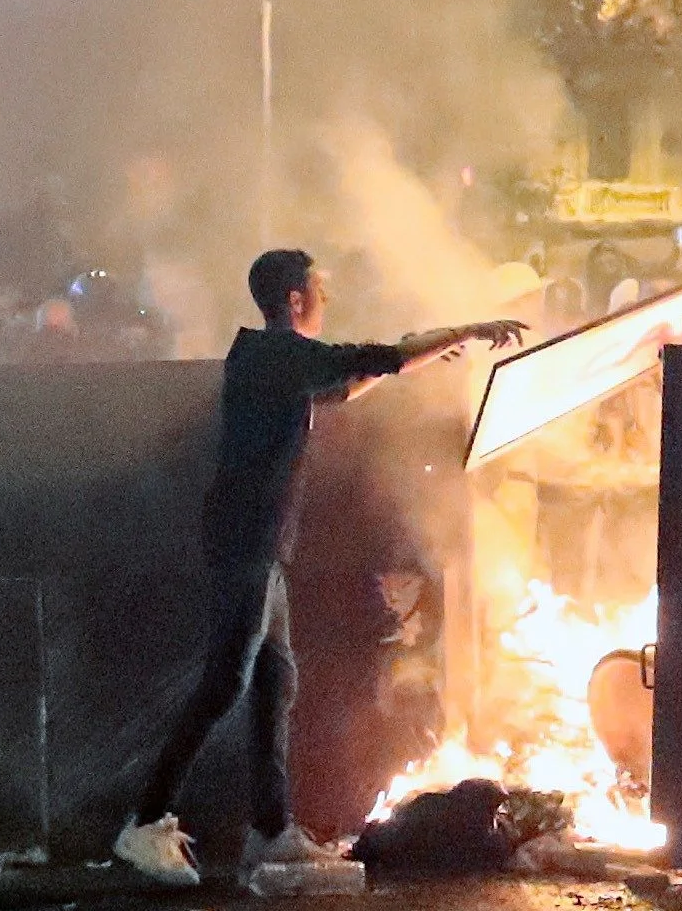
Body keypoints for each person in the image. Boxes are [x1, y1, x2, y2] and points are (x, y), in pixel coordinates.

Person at [113, 249, 526, 889]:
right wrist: (464, 333)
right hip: (245, 541)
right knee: (228, 680)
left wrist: (407, 358)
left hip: (261, 544)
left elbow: (349, 380)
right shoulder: (272, 352)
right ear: (296, 300)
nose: (327, 295)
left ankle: (271, 833)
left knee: (276, 681)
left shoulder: (277, 362)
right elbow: (372, 357)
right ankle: (144, 821)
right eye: (320, 287)